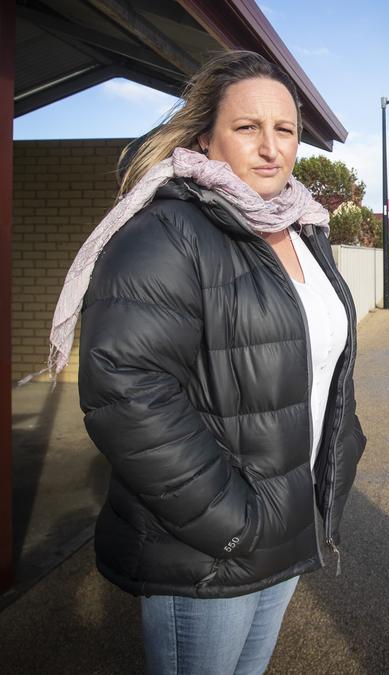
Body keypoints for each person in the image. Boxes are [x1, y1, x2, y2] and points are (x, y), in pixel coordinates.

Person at [49, 50, 366, 675]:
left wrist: (336, 458)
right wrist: (230, 522)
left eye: (286, 130)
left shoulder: (302, 228)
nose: (271, 147)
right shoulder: (166, 231)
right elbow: (126, 391)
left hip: (289, 518)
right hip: (210, 544)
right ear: (205, 137)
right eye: (247, 128)